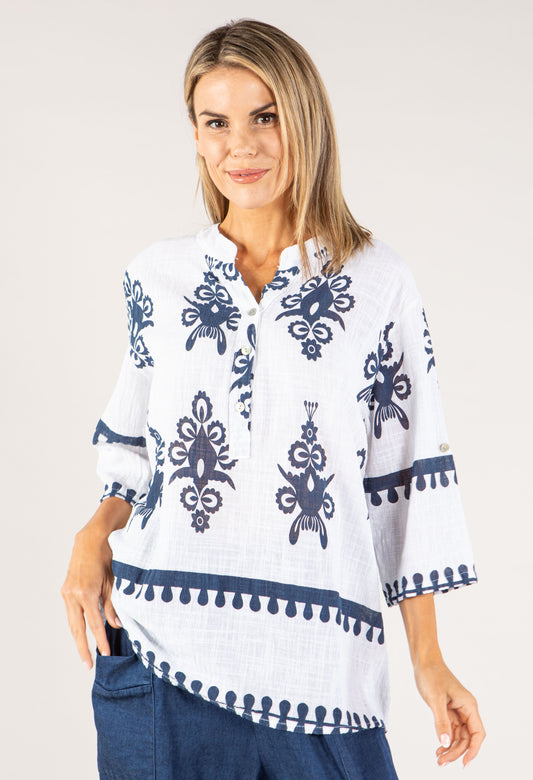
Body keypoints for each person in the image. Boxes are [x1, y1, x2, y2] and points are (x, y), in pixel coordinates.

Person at [61, 18, 486, 779]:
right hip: (162, 662)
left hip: (322, 676)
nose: (241, 146)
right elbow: (130, 449)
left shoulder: (377, 283)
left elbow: (402, 480)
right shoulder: (156, 278)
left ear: (306, 122)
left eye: (265, 116)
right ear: (194, 136)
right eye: (214, 122)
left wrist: (429, 661)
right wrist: (91, 535)